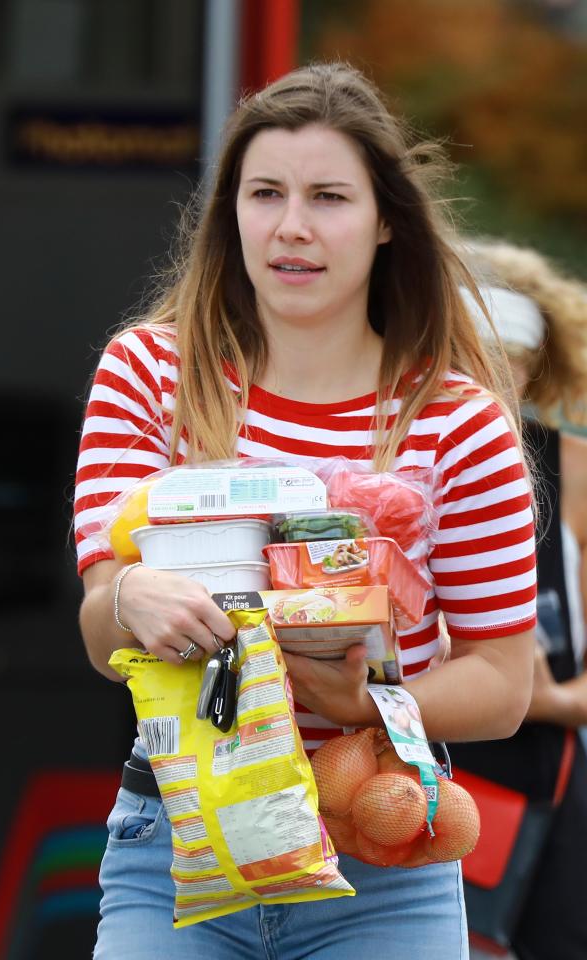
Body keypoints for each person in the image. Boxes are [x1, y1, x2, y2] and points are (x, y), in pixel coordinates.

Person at [73, 64, 536, 960]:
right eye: (265, 194)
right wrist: (130, 598)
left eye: (328, 196)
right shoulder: (147, 376)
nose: (292, 226)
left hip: (384, 860)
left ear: (386, 218)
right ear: (231, 214)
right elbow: (101, 635)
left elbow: (502, 686)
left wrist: (366, 703)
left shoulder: (459, 422)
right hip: (177, 849)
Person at [452, 239, 587, 960]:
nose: (487, 384)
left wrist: (551, 697)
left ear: (535, 366)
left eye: (508, 362)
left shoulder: (573, 469)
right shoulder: (402, 457)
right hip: (428, 773)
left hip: (548, 783)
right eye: (471, 358)